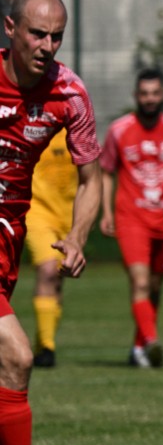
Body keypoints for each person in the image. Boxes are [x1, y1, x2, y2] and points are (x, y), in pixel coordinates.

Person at [0, 0, 102, 445]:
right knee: (17, 355)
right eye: (37, 33)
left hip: (8, 237)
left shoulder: (69, 93)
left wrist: (78, 236)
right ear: (10, 29)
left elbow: (92, 178)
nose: (47, 45)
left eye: (56, 36)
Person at [99, 68, 163, 369]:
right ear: (136, 96)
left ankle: (139, 348)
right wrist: (106, 211)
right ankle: (152, 341)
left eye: (155, 93)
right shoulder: (119, 130)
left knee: (155, 288)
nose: (150, 99)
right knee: (140, 281)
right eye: (144, 94)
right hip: (131, 218)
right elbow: (106, 172)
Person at [26, 129, 77, 368]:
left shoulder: (76, 128)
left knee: (57, 278)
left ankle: (42, 344)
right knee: (48, 270)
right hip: (37, 210)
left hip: (69, 214)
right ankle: (47, 347)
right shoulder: (33, 126)